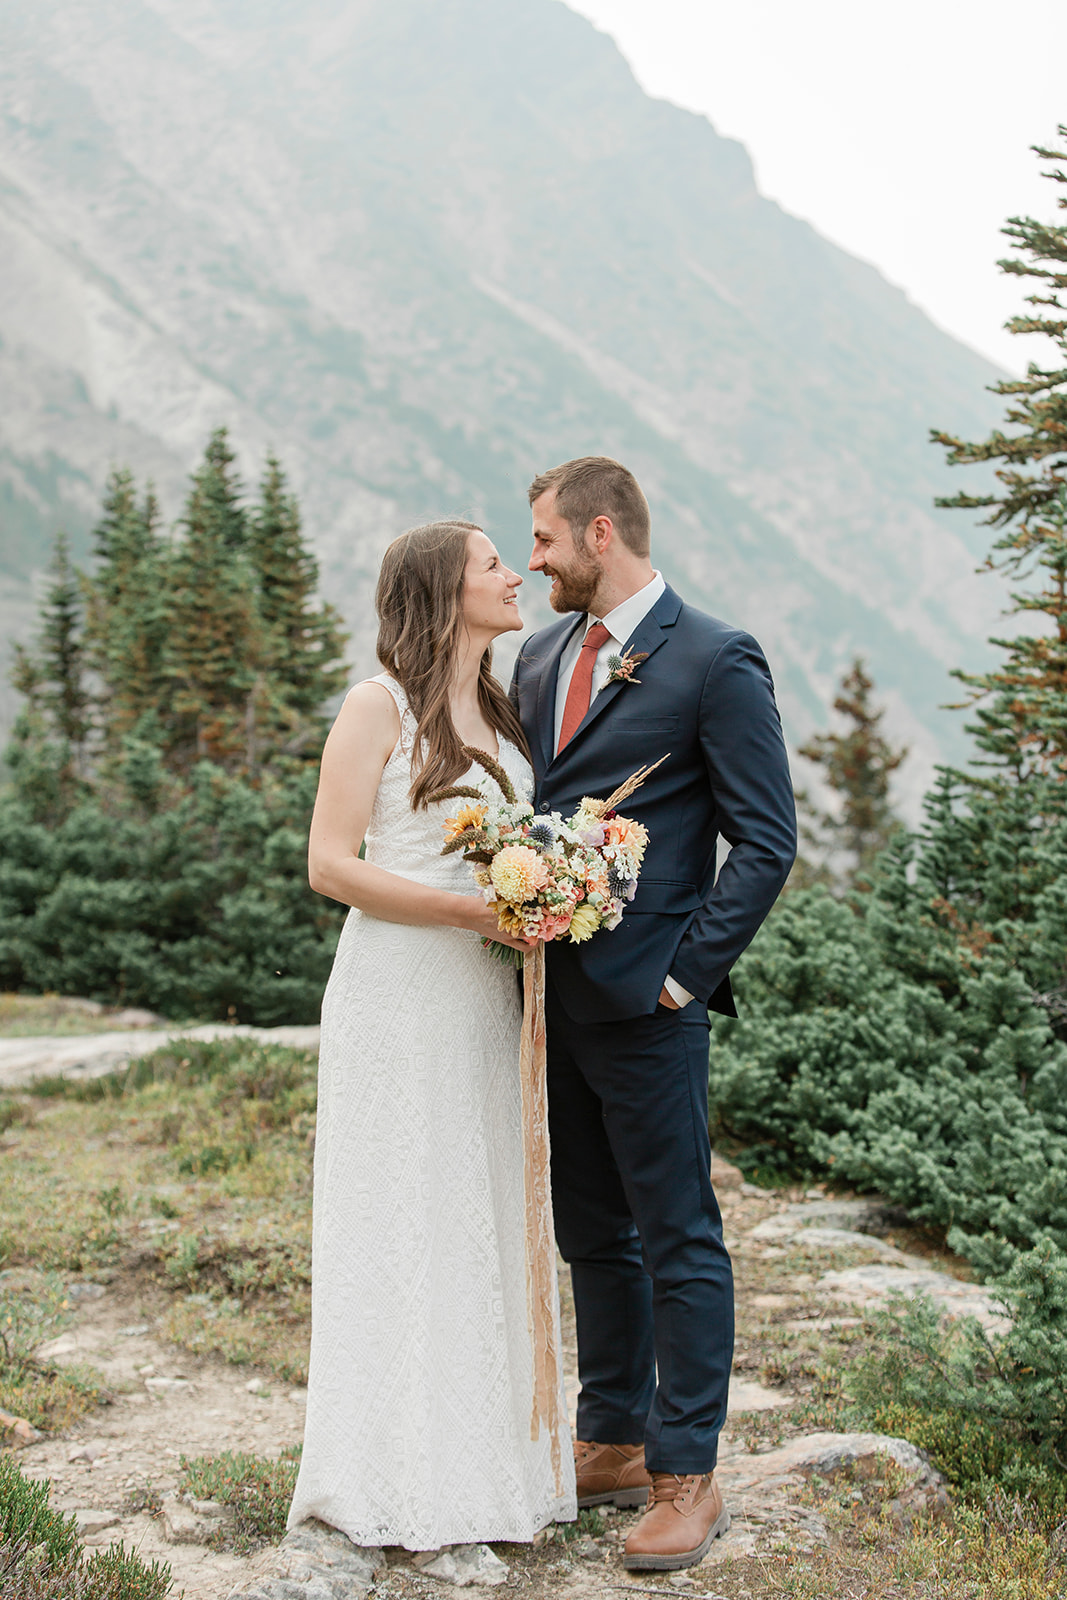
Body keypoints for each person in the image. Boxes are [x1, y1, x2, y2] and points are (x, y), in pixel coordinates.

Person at [511, 458, 797, 1572]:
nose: (530, 559)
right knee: (590, 1229)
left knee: (675, 1233)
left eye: (541, 539)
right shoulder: (538, 656)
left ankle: (689, 1473)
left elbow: (765, 840)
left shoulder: (713, 656)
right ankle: (612, 1435)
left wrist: (683, 975)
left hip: (651, 1006)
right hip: (551, 1002)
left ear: (598, 532)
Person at [289, 520, 577, 1549]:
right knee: (396, 1207)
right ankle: (376, 1475)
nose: (513, 576)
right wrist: (465, 911)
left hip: (482, 998)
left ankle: (479, 1470)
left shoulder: (503, 707)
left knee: (477, 1207)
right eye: (492, 564)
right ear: (442, 591)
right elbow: (328, 863)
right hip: (397, 986)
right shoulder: (376, 706)